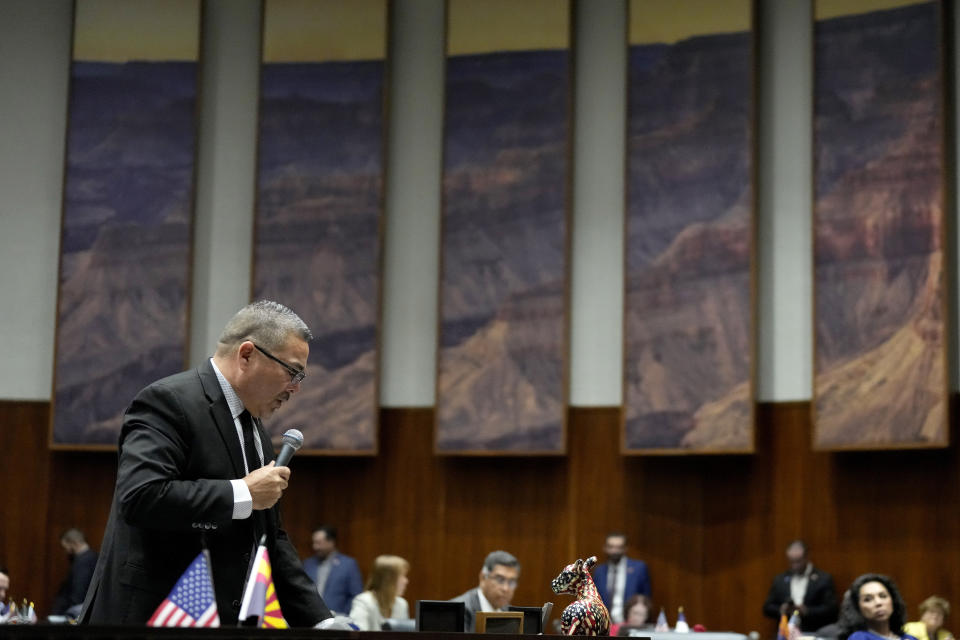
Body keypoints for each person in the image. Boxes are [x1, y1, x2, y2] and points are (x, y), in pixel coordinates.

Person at [79, 300, 333, 627]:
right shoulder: (168, 402)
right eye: (292, 371)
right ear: (246, 355)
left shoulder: (255, 429)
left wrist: (322, 623)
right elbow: (141, 497)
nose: (296, 387)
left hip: (220, 627)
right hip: (147, 622)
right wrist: (241, 493)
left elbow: (271, 539)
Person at [763, 540, 838, 632]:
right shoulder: (779, 579)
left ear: (807, 557)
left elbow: (832, 609)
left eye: (798, 561)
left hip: (814, 631)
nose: (794, 566)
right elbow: (767, 608)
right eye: (791, 562)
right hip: (785, 632)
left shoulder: (823, 579)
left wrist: (807, 611)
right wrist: (781, 609)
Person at [450, 550, 521, 632]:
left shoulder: (511, 614)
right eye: (500, 579)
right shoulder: (458, 612)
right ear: (483, 578)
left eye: (511, 582)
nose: (506, 588)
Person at [302, 525, 363, 615]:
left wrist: (343, 615)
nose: (315, 547)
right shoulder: (307, 564)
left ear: (331, 542)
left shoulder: (348, 564)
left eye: (319, 543)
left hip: (338, 620)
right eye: (314, 543)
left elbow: (355, 595)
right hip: (310, 619)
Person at [593, 533, 651, 624]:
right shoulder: (599, 571)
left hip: (631, 623)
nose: (615, 551)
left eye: (619, 547)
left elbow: (646, 598)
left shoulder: (639, 568)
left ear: (625, 549)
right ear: (605, 548)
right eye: (611, 547)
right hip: (605, 624)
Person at [837, 573, 915, 640]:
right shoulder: (858, 637)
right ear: (857, 607)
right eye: (868, 599)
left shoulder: (909, 638)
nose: (878, 603)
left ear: (893, 601)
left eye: (883, 596)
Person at [348, 555, 410, 631]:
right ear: (388, 579)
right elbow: (358, 634)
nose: (406, 581)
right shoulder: (363, 601)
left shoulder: (402, 604)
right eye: (402, 576)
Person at [50, 528, 98, 617]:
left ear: (74, 543)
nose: (66, 551)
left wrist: (68, 612)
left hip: (74, 612)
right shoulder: (93, 557)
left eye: (66, 547)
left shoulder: (83, 562)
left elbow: (78, 591)